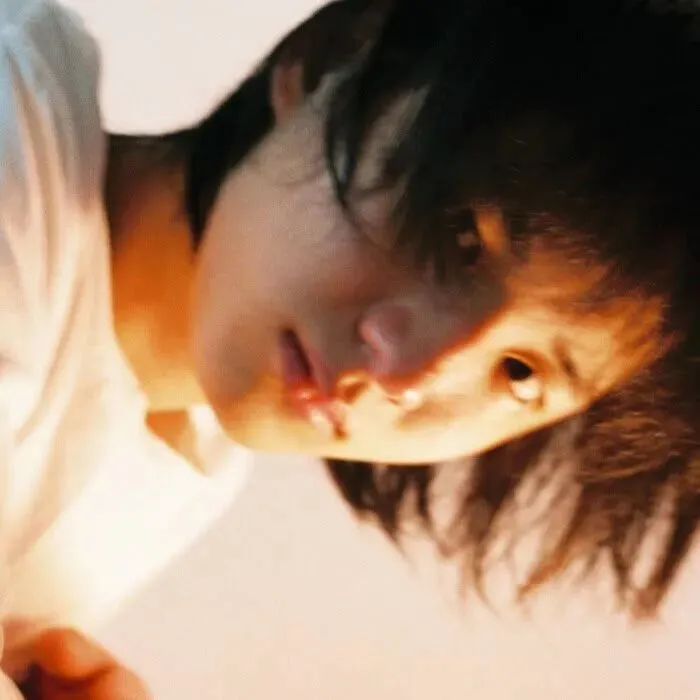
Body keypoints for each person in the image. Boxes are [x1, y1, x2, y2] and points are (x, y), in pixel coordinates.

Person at [2, 0, 700, 695]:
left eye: (520, 373)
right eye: (459, 235)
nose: (408, 372)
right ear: (336, 56)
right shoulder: (15, 144)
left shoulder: (175, 469)